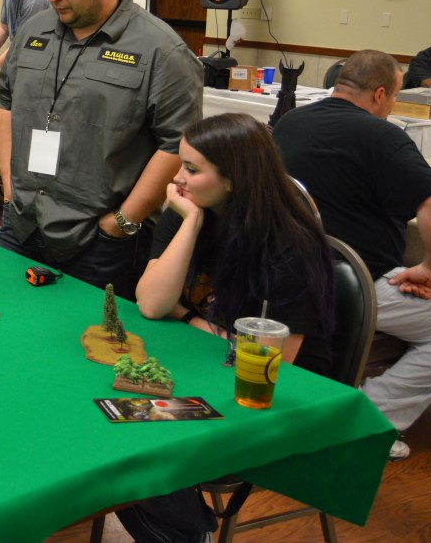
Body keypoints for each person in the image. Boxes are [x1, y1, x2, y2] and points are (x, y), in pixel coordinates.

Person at [120, 113, 336, 543]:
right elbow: (152, 304)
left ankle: (185, 533)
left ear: (235, 179)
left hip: (268, 402)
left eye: (192, 169)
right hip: (207, 370)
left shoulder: (290, 245)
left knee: (134, 431)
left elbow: (270, 359)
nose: (177, 179)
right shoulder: (189, 211)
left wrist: (187, 316)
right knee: (106, 417)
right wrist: (190, 223)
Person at [0, 0, 203, 299]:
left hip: (96, 240)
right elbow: (5, 99)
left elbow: (178, 144)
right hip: (22, 221)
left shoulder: (160, 50)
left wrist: (121, 222)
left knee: (84, 334)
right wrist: (8, 183)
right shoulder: (34, 31)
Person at [274, 49, 431, 461]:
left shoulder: (290, 122)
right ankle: (365, 420)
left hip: (287, 276)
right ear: (380, 94)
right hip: (354, 283)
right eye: (395, 96)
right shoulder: (382, 136)